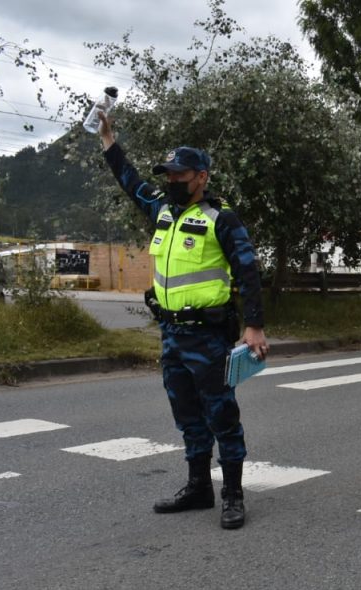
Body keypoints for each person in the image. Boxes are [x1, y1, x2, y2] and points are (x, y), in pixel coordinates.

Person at [97, 111, 268, 529]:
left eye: (180, 175)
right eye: (168, 175)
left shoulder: (220, 219)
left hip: (208, 336)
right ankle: (198, 488)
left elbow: (248, 271)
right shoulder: (162, 213)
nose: (171, 181)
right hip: (171, 334)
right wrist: (109, 144)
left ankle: (232, 494)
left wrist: (254, 326)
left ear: (201, 177)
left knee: (221, 415)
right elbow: (130, 181)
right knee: (187, 415)